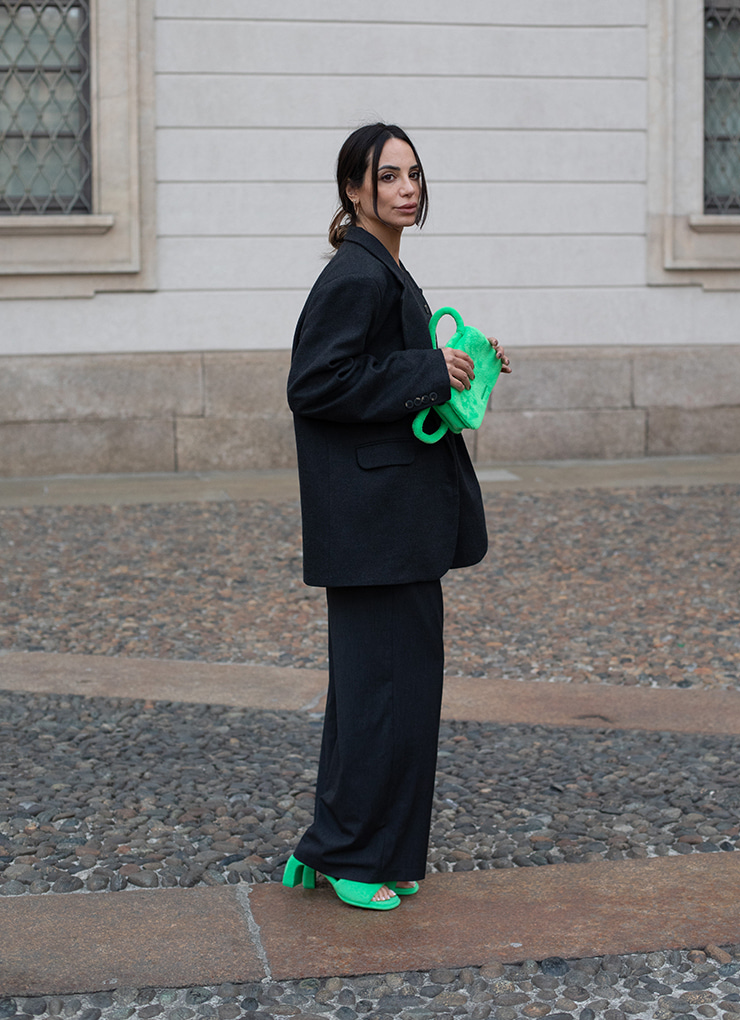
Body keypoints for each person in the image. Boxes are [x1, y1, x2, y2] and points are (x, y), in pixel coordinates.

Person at [282, 122, 511, 910]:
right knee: (389, 696)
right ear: (354, 190)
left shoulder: (386, 269)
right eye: (388, 176)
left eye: (413, 174)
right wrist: (424, 370)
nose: (406, 188)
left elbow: (381, 368)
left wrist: (461, 359)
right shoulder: (358, 273)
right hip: (378, 527)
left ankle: (329, 849)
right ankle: (357, 862)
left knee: (371, 694)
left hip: (387, 526)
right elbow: (314, 383)